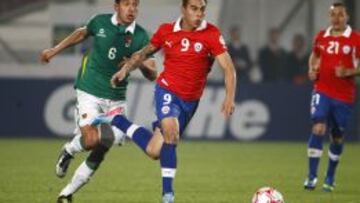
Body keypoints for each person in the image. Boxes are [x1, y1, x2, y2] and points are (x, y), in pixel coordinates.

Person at [92, 0, 236, 202]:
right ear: (183, 9)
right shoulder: (166, 31)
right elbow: (142, 53)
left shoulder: (211, 34)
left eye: (202, 9)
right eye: (194, 8)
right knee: (171, 130)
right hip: (167, 90)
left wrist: (229, 97)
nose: (199, 13)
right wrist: (125, 70)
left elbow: (228, 68)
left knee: (154, 151)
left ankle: (117, 119)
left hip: (190, 101)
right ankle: (167, 194)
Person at [40, 0, 157, 202]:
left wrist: (136, 63)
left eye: (135, 5)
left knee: (105, 143)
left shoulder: (141, 36)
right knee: (92, 140)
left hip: (117, 98)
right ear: (116, 6)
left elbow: (153, 73)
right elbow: (81, 33)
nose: (132, 9)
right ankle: (70, 149)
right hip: (90, 90)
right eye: (127, 4)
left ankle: (66, 193)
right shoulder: (100, 22)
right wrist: (54, 50)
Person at [304, 2, 360, 192]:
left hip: (344, 95)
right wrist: (311, 69)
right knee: (318, 127)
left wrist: (350, 71)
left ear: (347, 17)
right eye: (333, 14)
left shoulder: (355, 39)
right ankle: (311, 178)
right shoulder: (322, 36)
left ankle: (330, 177)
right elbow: (315, 56)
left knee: (336, 136)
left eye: (340, 14)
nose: (336, 18)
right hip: (322, 90)